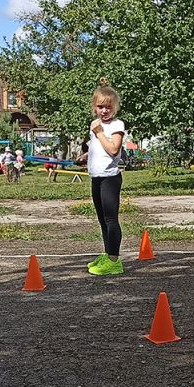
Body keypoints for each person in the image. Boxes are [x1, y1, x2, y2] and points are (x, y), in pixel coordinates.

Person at [80, 79, 126, 276]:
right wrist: (85, 156)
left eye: (108, 107)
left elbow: (114, 150)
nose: (104, 110)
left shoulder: (116, 125)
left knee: (111, 219)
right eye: (100, 107)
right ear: (94, 107)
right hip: (96, 177)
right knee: (101, 219)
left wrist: (98, 133)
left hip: (110, 178)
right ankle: (108, 255)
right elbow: (98, 149)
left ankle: (114, 260)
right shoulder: (96, 125)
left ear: (114, 107)